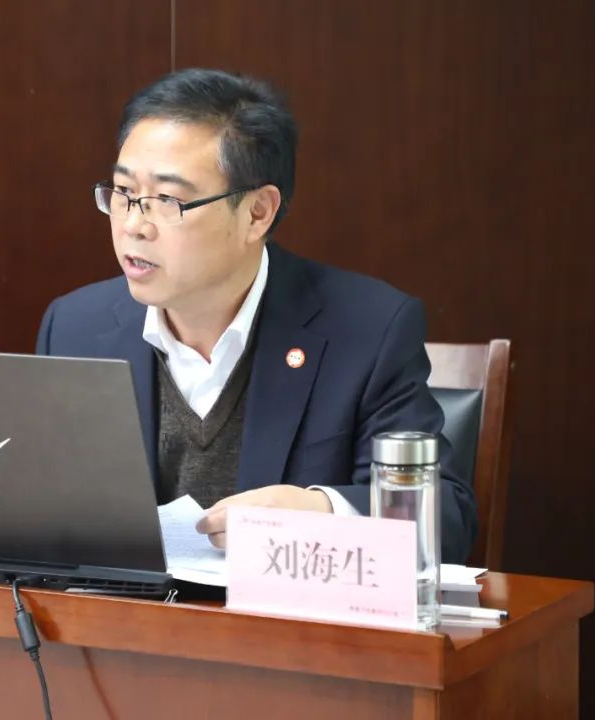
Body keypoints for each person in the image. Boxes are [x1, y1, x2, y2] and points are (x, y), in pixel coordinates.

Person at [35, 68, 477, 563]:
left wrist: (321, 511)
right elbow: (42, 511)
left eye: (168, 200)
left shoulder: (368, 329)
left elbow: (445, 520)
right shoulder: (75, 326)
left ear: (257, 213)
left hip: (282, 612)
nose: (134, 225)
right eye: (123, 193)